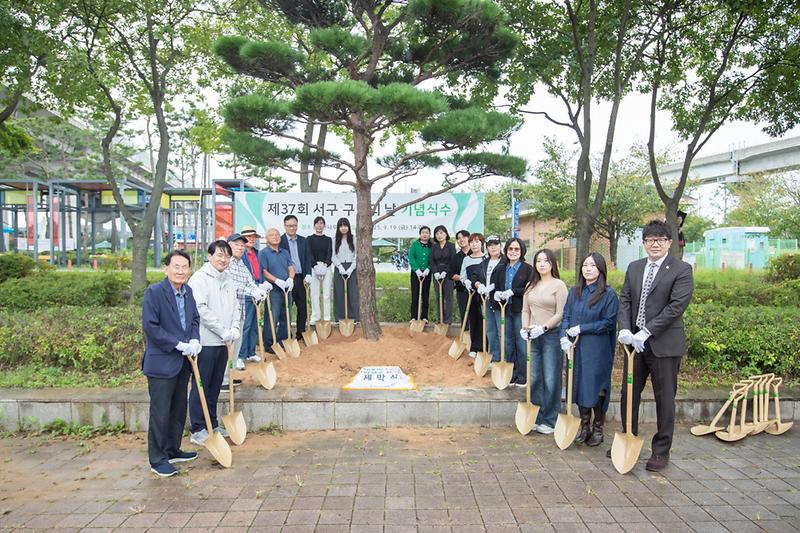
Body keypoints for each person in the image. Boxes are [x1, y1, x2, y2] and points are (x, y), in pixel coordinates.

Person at [615, 219, 694, 471]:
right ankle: (628, 437)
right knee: (628, 393)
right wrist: (625, 328)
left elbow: (676, 306)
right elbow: (625, 299)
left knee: (664, 398)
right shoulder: (635, 267)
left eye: (660, 240)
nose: (655, 244)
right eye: (650, 240)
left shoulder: (681, 270)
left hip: (663, 344)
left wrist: (647, 331)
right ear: (644, 243)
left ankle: (661, 451)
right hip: (634, 345)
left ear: (669, 242)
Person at [141, 250, 201, 477]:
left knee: (178, 409)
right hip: (162, 363)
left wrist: (194, 339)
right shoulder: (155, 292)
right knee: (160, 412)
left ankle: (172, 449)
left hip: (183, 362)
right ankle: (157, 459)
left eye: (185, 267)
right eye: (176, 266)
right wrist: (176, 344)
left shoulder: (188, 292)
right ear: (166, 268)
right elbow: (151, 326)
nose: (181, 271)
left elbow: (194, 319)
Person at [560, 253, 619, 446]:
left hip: (597, 348)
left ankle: (598, 428)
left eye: (592, 265)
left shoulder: (608, 294)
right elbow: (566, 315)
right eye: (585, 265)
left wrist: (582, 328)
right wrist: (563, 336)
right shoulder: (575, 291)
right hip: (575, 347)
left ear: (600, 269)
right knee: (578, 384)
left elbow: (608, 322)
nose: (588, 269)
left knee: (596, 386)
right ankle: (584, 426)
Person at [187, 240, 241, 446]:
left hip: (224, 342)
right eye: (219, 255)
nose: (223, 259)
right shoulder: (200, 279)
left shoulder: (228, 278)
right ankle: (198, 428)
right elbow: (201, 309)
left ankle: (212, 424)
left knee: (215, 385)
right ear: (209, 256)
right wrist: (221, 330)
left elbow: (235, 306)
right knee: (202, 385)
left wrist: (234, 328)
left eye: (227, 256)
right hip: (207, 341)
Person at [521, 249, 568, 435]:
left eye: (545, 261)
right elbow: (525, 310)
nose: (541, 264)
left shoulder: (559, 285)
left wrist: (545, 327)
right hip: (533, 336)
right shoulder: (530, 285)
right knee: (534, 377)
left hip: (551, 335)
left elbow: (560, 313)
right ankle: (536, 416)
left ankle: (550, 419)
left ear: (552, 264)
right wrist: (525, 328)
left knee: (551, 378)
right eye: (538, 261)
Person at [490, 238, 532, 387]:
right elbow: (494, 286)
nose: (513, 252)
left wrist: (513, 291)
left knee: (521, 342)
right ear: (506, 250)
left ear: (522, 251)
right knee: (506, 342)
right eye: (510, 249)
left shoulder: (527, 269)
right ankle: (511, 374)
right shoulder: (501, 268)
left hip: (520, 310)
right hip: (503, 309)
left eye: (516, 249)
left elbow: (529, 288)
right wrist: (496, 294)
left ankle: (523, 375)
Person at [225, 233, 268, 370]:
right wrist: (252, 292)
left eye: (242, 245)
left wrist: (258, 290)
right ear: (229, 246)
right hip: (229, 310)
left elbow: (249, 280)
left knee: (241, 334)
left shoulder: (241, 263)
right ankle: (233, 365)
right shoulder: (226, 263)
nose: (240, 248)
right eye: (236, 245)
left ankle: (236, 364)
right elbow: (232, 286)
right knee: (232, 339)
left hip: (241, 306)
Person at [258, 228, 295, 350]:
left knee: (287, 316)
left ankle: (283, 341)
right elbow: (264, 271)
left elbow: (291, 267)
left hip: (286, 289)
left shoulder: (285, 252)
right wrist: (277, 281)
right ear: (267, 238)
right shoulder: (263, 253)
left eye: (277, 234)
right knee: (272, 317)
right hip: (273, 290)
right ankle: (269, 343)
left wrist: (290, 279)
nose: (275, 236)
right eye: (272, 235)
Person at [471, 235, 503, 363]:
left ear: (500, 246)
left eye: (496, 244)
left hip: (500, 302)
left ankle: (504, 358)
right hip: (486, 301)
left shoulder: (505, 262)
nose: (493, 247)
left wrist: (495, 287)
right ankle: (494, 358)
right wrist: (479, 285)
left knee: (501, 332)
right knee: (490, 331)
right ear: (487, 248)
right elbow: (474, 276)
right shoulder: (484, 263)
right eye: (490, 245)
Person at [280, 215, 313, 340]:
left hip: (301, 279)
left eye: (294, 225)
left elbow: (307, 259)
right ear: (285, 226)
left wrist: (308, 273)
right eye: (289, 226)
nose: (292, 228)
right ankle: (286, 335)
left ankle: (300, 334)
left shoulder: (303, 241)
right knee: (287, 308)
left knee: (303, 308)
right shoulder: (280, 241)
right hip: (287, 280)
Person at [239, 225, 262, 363]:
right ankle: (241, 355)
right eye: (248, 237)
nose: (252, 239)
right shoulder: (241, 255)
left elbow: (261, 269)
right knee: (246, 324)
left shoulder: (257, 253)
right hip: (246, 292)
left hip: (258, 289)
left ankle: (251, 352)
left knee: (255, 323)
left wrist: (262, 285)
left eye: (254, 237)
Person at [460, 233, 485, 357]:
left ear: (482, 243)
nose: (474, 245)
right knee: (473, 319)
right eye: (472, 242)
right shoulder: (466, 259)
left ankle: (485, 346)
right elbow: (462, 276)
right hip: (470, 293)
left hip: (483, 294)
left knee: (483, 320)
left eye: (477, 242)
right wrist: (466, 282)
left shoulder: (486, 258)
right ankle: (474, 347)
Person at [307, 216, 333, 326]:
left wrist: (326, 264)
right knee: (314, 293)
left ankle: (327, 316)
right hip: (314, 267)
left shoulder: (328, 239)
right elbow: (309, 253)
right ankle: (315, 316)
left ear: (324, 225)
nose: (319, 225)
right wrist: (314, 265)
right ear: (314, 226)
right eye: (317, 223)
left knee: (326, 293)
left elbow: (330, 253)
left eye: (321, 223)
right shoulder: (309, 239)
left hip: (326, 267)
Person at [332, 217, 359, 321]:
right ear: (338, 228)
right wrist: (340, 268)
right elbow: (333, 256)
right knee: (339, 293)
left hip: (352, 268)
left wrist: (351, 269)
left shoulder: (354, 239)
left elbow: (356, 255)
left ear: (348, 227)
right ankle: (339, 317)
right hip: (339, 268)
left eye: (345, 225)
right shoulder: (334, 240)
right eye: (341, 226)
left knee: (353, 293)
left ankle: (354, 317)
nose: (343, 228)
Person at [429, 225, 456, 325]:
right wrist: (435, 272)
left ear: (446, 234)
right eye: (437, 233)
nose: (439, 235)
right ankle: (440, 318)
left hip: (448, 274)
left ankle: (448, 319)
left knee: (448, 296)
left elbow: (452, 260)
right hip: (436, 274)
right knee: (438, 296)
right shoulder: (434, 247)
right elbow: (431, 260)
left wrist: (446, 272)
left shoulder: (451, 246)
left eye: (441, 233)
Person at [408, 226, 432, 323]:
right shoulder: (414, 244)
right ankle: (414, 316)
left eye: (427, 232)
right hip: (416, 273)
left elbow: (433, 259)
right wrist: (416, 269)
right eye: (423, 232)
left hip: (427, 273)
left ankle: (424, 316)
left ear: (429, 235)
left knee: (425, 295)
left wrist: (428, 268)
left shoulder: (432, 246)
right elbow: (411, 257)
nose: (424, 234)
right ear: (420, 234)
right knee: (415, 294)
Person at [449, 229, 471, 329]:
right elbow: (451, 274)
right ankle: (465, 332)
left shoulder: (477, 254)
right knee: (464, 313)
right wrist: (463, 279)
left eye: (464, 237)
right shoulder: (456, 257)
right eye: (458, 238)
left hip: (476, 290)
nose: (461, 240)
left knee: (476, 314)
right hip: (461, 290)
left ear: (469, 238)